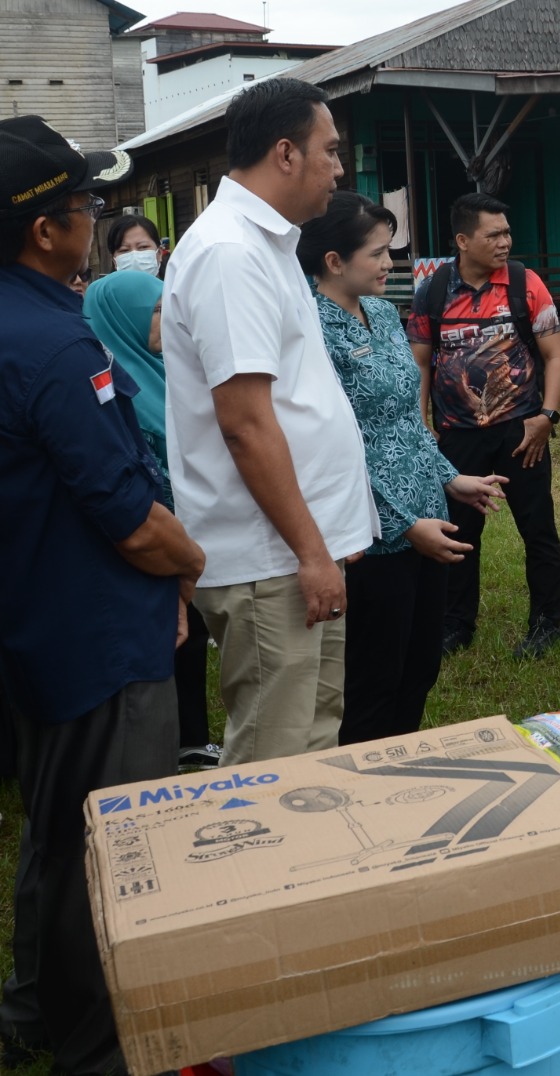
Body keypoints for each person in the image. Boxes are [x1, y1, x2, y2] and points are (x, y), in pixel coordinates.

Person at [0, 114, 206, 1076]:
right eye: (86, 207)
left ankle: (35, 1005)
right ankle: (100, 1047)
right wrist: (189, 561)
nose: (95, 220)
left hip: (39, 626)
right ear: (47, 230)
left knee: (52, 826)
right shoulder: (53, 343)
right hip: (95, 636)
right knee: (112, 848)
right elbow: (128, 516)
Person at [163, 77, 379, 766]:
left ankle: (308, 873)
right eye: (331, 151)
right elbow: (246, 424)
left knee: (311, 745)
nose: (340, 169)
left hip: (297, 549)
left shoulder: (272, 245)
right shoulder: (231, 253)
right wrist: (311, 554)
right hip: (272, 558)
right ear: (286, 154)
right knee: (269, 765)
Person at [301, 192, 508, 745]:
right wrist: (400, 524)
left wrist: (448, 478)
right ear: (334, 262)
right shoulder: (309, 332)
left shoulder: (385, 317)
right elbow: (329, 446)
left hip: (427, 517)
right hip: (370, 533)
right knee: (373, 678)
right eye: (377, 253)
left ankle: (401, 770)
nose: (389, 264)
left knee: (420, 667)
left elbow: (406, 419)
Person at [408, 192, 560, 660]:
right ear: (463, 239)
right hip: (457, 435)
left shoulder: (525, 283)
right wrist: (423, 426)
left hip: (522, 433)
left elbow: (555, 355)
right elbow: (419, 364)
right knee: (458, 534)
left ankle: (545, 622)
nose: (505, 242)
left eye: (507, 232)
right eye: (493, 234)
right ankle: (456, 623)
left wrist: (547, 417)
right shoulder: (433, 291)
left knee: (537, 528)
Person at [83, 271, 221, 771]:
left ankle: (192, 737)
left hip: (191, 539)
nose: (169, 319)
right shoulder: (116, 395)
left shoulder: (167, 372)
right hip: (155, 544)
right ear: (123, 319)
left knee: (189, 641)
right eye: (158, 310)